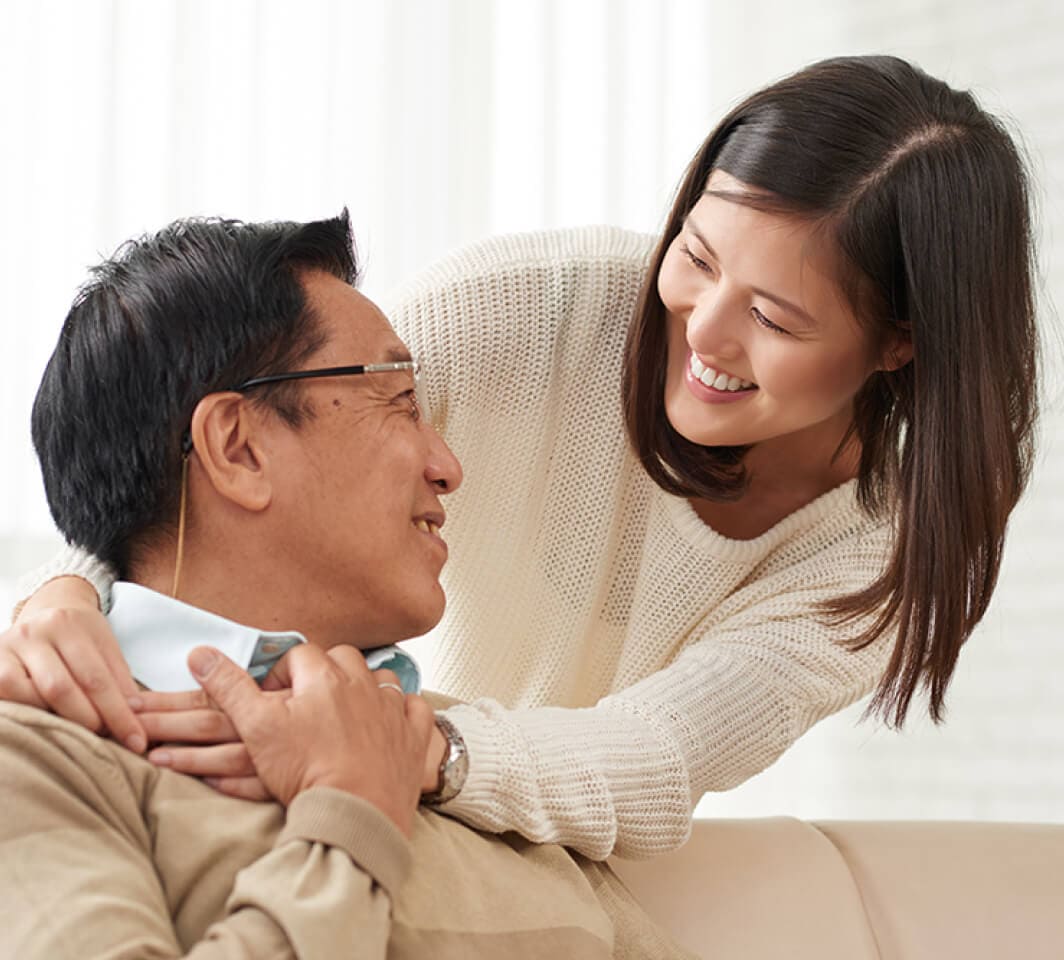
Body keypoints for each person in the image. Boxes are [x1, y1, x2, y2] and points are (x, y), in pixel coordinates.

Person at [2, 54, 1040, 860]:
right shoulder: (532, 308)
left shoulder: (881, 551)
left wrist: (415, 752)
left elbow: (660, 751)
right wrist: (63, 597)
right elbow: (239, 442)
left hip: (478, 800)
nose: (701, 333)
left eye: (770, 315)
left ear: (898, 341)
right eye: (695, 256)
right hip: (339, 750)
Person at [0, 211, 691, 959]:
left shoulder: (469, 763)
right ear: (239, 449)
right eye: (397, 400)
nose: (448, 465)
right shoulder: (36, 754)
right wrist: (353, 814)